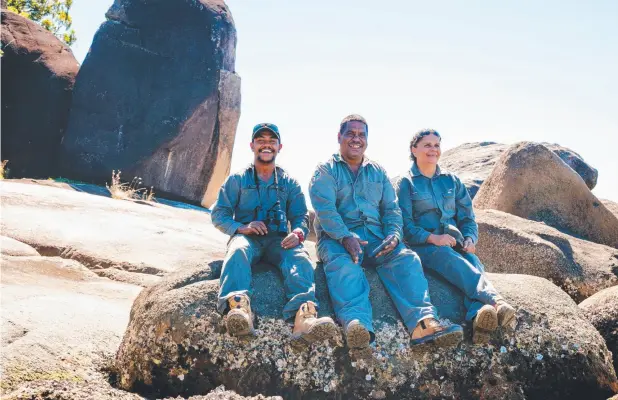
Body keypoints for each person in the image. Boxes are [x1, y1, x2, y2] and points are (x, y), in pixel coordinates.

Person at [308, 114, 463, 351]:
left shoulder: (377, 171)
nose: (356, 139)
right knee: (345, 266)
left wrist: (394, 235)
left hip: (377, 238)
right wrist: (346, 237)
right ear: (339, 137)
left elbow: (391, 209)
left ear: (367, 140)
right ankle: (356, 324)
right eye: (350, 133)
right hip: (337, 238)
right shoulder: (325, 171)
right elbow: (326, 211)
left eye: (361, 134)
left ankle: (422, 323)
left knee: (407, 259)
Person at [211, 123, 337, 347]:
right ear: (252, 145)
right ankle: (238, 309)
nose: (266, 145)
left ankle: (304, 317)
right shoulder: (237, 180)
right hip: (248, 238)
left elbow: (300, 216)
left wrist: (298, 232)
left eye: (271, 141)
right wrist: (242, 228)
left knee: (299, 257)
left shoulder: (289, 183)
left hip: (279, 241)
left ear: (279, 147)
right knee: (237, 250)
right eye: (261, 140)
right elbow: (219, 214)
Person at [396, 129, 516, 344]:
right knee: (450, 259)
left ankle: (479, 316)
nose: (433, 149)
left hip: (455, 243)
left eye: (436, 145)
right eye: (427, 145)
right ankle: (495, 300)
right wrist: (433, 238)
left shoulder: (452, 181)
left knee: (472, 260)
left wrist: (470, 239)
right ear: (414, 150)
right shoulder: (406, 184)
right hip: (424, 246)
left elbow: (468, 218)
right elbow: (405, 226)